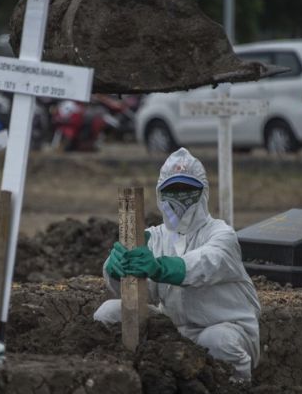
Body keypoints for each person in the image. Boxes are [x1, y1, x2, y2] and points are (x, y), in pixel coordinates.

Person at [94, 148, 261, 380]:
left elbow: (206, 263)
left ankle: (236, 391)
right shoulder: (152, 238)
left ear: (203, 192)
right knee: (108, 313)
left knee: (217, 341)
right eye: (172, 191)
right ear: (160, 194)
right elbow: (143, 292)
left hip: (227, 327)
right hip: (173, 332)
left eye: (187, 190)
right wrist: (116, 270)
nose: (179, 197)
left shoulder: (221, 235)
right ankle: (122, 381)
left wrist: (161, 268)